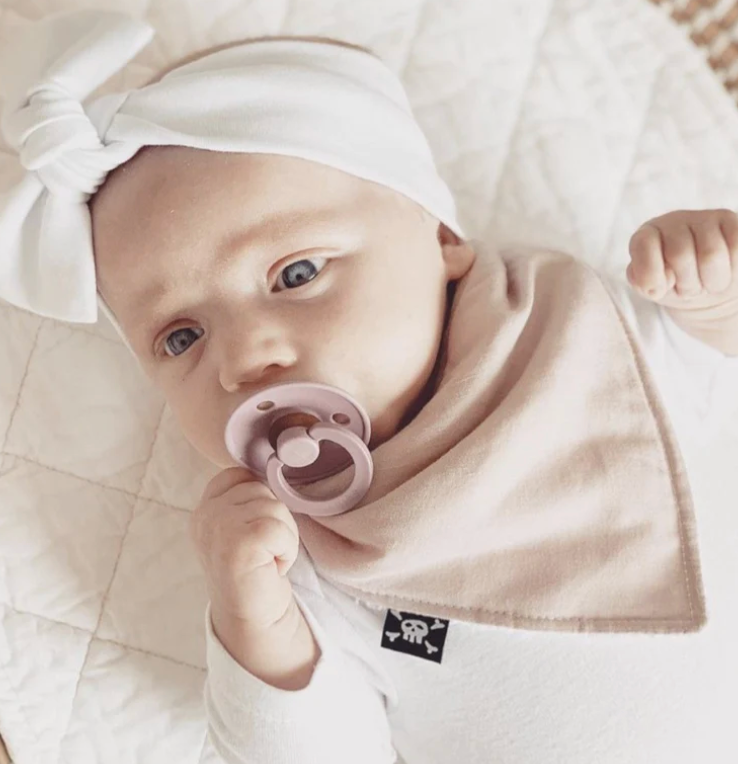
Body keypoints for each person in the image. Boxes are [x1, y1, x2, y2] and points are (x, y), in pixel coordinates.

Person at [2, 10, 737, 764]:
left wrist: (713, 296)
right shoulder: (302, 562)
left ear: (441, 237)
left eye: (295, 274)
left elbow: (717, 380)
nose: (242, 360)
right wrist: (255, 624)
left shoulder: (579, 333)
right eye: (181, 338)